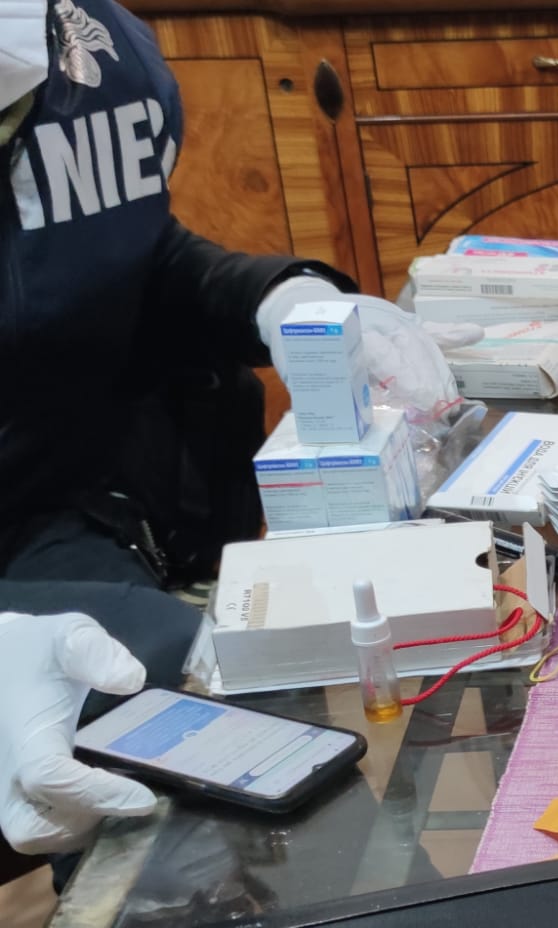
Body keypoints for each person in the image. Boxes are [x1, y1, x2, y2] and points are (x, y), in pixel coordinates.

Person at [0, 0, 390, 859]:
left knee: (224, 674)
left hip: (51, 506)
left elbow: (128, 260)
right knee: (146, 683)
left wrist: (273, 297)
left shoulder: (100, 59)